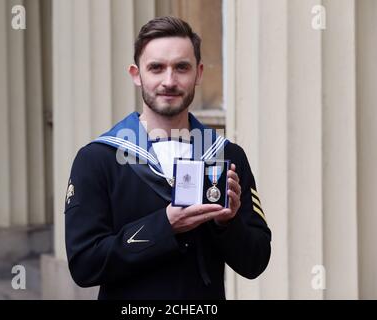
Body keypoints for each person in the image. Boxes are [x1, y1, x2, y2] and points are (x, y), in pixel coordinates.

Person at [65, 16, 271, 300]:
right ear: (136, 74)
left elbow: (255, 262)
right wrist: (165, 225)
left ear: (198, 73)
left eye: (181, 68)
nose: (169, 81)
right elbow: (84, 265)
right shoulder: (98, 159)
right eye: (156, 68)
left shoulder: (227, 155)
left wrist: (228, 224)